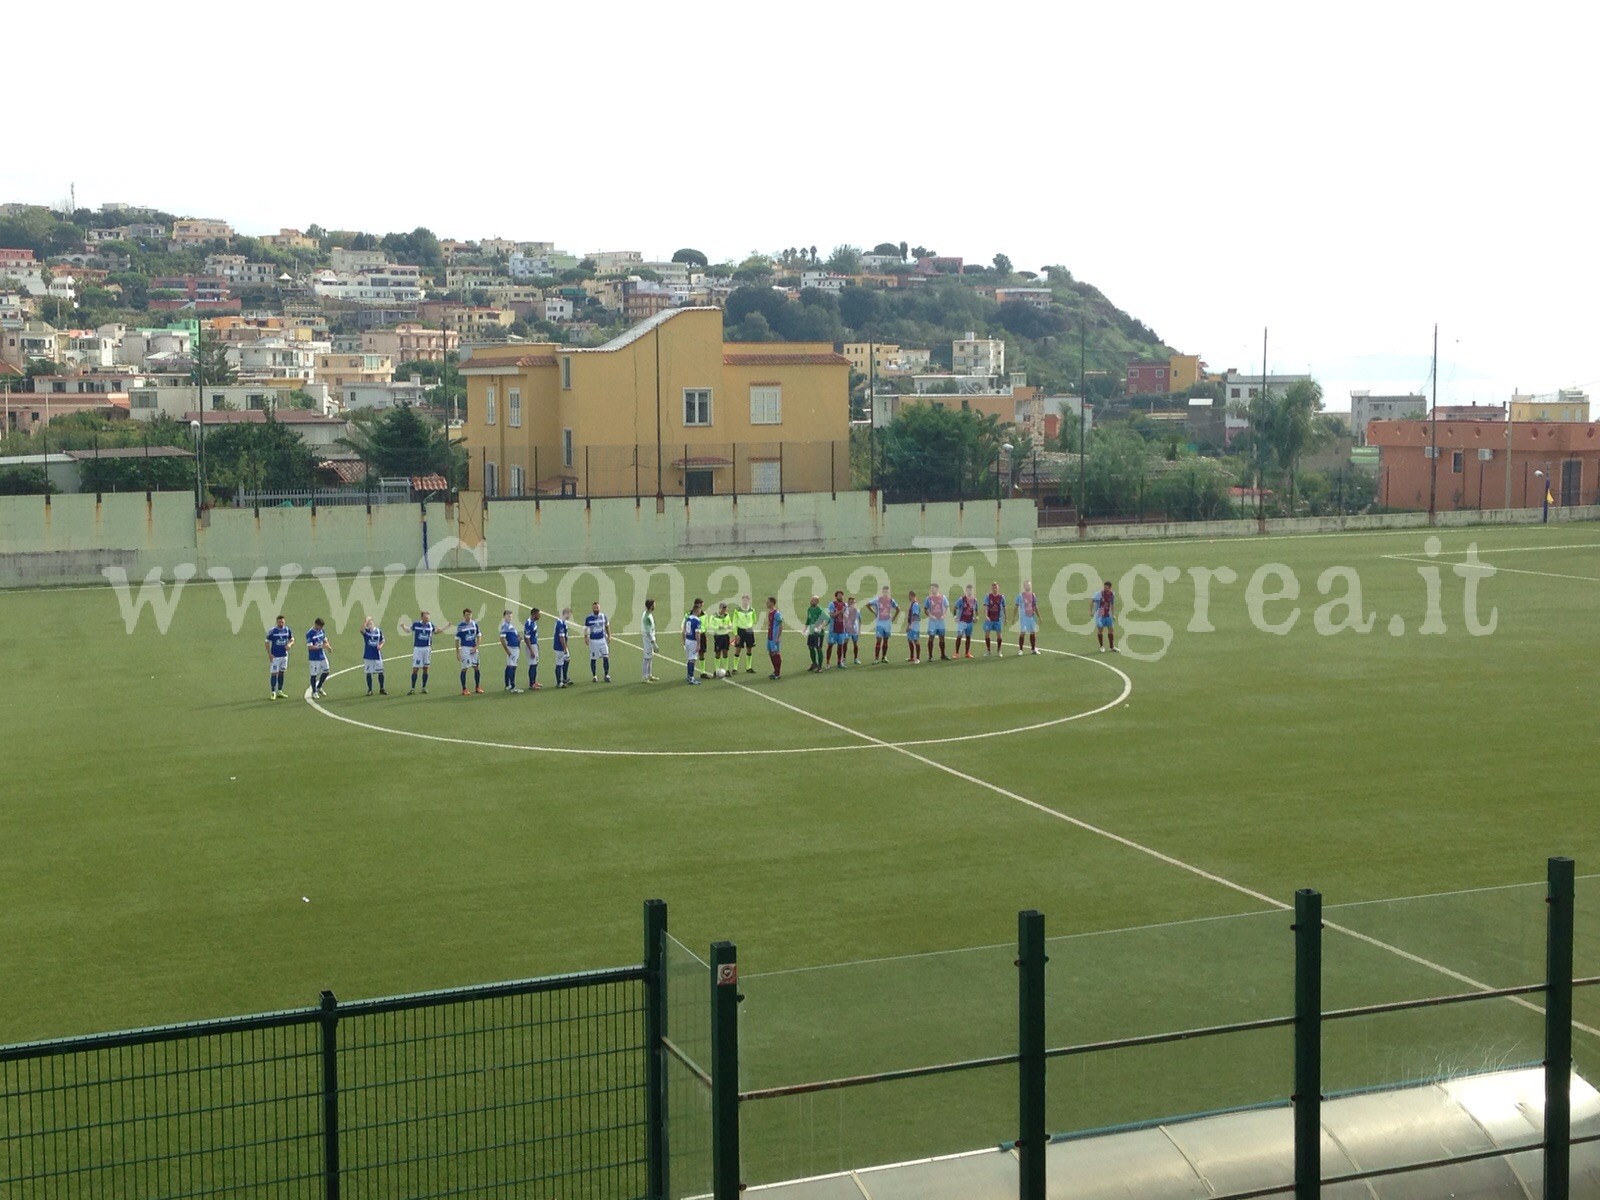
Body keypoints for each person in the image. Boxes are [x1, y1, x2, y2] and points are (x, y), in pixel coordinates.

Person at [866, 587, 899, 663]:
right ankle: (876, 658)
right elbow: (868, 604)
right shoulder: (877, 600)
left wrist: (893, 618)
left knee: (886, 640)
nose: (885, 593)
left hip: (887, 623)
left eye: (887, 592)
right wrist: (875, 612)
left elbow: (898, 609)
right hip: (879, 623)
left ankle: (884, 657)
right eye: (884, 592)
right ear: (882, 592)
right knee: (878, 640)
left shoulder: (891, 600)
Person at [265, 615, 294, 700]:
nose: (281, 624)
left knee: (282, 673)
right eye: (279, 622)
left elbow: (292, 639)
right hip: (275, 657)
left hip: (284, 656)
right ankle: (273, 692)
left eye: (282, 622)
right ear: (277, 622)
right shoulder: (273, 631)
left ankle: (280, 691)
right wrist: (269, 654)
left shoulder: (287, 630)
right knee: (274, 673)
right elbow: (267, 642)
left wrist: (289, 644)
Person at [408, 610, 437, 694]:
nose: (427, 619)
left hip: (427, 649)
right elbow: (409, 630)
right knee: (415, 668)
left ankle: (423, 687)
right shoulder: (416, 624)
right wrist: (403, 626)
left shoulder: (431, 625)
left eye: (428, 618)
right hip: (418, 649)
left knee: (426, 668)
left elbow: (436, 631)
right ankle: (413, 688)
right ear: (421, 617)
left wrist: (445, 627)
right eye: (425, 617)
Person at [456, 607, 482, 695]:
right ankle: (464, 689)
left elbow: (479, 636)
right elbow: (456, 639)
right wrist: (457, 652)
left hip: (473, 648)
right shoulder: (460, 626)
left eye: (470, 615)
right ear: (464, 615)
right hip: (465, 649)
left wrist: (476, 647)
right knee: (465, 668)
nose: (469, 616)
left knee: (476, 667)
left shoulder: (475, 624)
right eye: (467, 615)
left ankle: (477, 687)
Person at [585, 600, 612, 682]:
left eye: (597, 607)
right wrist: (586, 637)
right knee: (593, 658)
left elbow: (607, 626)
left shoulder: (603, 617)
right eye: (595, 608)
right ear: (592, 609)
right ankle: (594, 676)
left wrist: (609, 635)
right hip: (593, 641)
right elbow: (586, 629)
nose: (596, 609)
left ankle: (606, 675)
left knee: (606, 657)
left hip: (602, 640)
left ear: (599, 608)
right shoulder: (589, 618)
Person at [498, 610, 523, 693]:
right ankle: (513, 687)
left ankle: (507, 685)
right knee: (512, 666)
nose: (510, 618)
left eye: (511, 616)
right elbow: (502, 639)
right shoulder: (505, 626)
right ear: (504, 617)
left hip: (514, 648)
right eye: (508, 616)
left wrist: (518, 639)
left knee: (509, 666)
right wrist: (507, 651)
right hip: (512, 649)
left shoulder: (510, 625)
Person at [732, 594, 757, 674]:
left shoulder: (752, 610)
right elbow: (734, 622)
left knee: (749, 648)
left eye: (746, 600)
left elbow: (754, 620)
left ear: (748, 600)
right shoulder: (737, 610)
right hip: (740, 631)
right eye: (743, 600)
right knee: (738, 649)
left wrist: (748, 625)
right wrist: (736, 633)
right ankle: (735, 668)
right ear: (742, 600)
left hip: (749, 631)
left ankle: (748, 667)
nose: (745, 601)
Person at [361, 616, 386, 695]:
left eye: (370, 623)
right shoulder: (366, 632)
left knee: (380, 672)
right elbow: (361, 630)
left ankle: (382, 688)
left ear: (373, 623)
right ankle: (370, 689)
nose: (369, 625)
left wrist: (380, 646)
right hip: (368, 655)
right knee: (369, 673)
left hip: (377, 655)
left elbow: (383, 640)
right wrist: (365, 621)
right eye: (368, 623)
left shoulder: (378, 631)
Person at [306, 618, 330, 699]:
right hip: (314, 657)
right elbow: (310, 647)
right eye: (320, 626)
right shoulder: (310, 633)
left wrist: (328, 646)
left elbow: (325, 640)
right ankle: (314, 691)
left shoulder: (322, 631)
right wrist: (321, 646)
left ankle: (319, 687)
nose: (321, 628)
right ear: (316, 624)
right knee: (314, 674)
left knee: (327, 671)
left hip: (322, 655)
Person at [924, 584, 949, 661]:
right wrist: (930, 615)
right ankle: (930, 656)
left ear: (937, 589)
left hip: (940, 621)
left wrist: (944, 615)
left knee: (942, 637)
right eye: (931, 589)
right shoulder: (929, 599)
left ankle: (943, 655)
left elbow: (946, 606)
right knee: (931, 637)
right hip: (933, 622)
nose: (932, 590)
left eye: (933, 588)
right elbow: (925, 609)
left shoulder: (943, 597)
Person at [682, 599, 704, 684]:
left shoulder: (688, 618)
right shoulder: (697, 620)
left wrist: (684, 641)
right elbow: (697, 633)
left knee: (689, 659)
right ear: (697, 610)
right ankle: (691, 677)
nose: (700, 612)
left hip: (687, 640)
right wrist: (698, 644)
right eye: (700, 610)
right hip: (693, 641)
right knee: (692, 659)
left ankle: (688, 676)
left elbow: (683, 630)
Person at [1016, 581, 1041, 655]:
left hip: (1031, 617)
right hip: (1024, 617)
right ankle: (1020, 650)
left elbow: (1035, 606)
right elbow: (1016, 606)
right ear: (1024, 587)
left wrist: (1039, 616)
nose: (1028, 587)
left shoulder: (1033, 595)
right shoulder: (1020, 596)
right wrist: (1014, 616)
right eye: (1026, 585)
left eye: (1029, 585)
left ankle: (1033, 649)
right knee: (1022, 632)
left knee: (1033, 632)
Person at [983, 582, 1007, 656]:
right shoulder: (988, 597)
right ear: (991, 588)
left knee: (999, 635)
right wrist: (986, 615)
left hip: (998, 619)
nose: (995, 588)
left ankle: (999, 650)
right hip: (989, 619)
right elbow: (986, 606)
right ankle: (988, 650)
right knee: (987, 634)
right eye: (993, 587)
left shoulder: (1001, 597)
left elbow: (1004, 607)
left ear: (998, 588)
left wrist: (1005, 617)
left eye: (996, 587)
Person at [826, 590, 848, 669]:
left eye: (842, 595)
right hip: (833, 629)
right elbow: (832, 615)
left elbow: (847, 617)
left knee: (840, 646)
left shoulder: (845, 605)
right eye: (839, 595)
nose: (841, 597)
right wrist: (841, 611)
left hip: (842, 629)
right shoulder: (832, 604)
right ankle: (828, 662)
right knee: (830, 645)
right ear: (836, 597)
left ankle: (839, 662)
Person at [1094, 581, 1118, 653]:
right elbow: (1093, 601)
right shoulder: (1100, 594)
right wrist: (1092, 612)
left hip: (1108, 614)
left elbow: (1112, 604)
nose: (1105, 588)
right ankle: (1101, 646)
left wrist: (1113, 614)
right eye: (1104, 587)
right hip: (1101, 612)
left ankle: (1112, 647)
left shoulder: (1112, 594)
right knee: (1100, 629)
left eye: (1106, 587)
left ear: (1110, 588)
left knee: (1111, 629)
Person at [711, 602, 733, 677]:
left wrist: (726, 626)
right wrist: (719, 627)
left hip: (725, 636)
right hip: (718, 636)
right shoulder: (714, 616)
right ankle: (716, 670)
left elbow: (730, 624)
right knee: (717, 652)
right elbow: (711, 625)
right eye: (723, 608)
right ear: (720, 608)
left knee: (725, 652)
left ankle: (726, 669)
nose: (724, 610)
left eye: (725, 608)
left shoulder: (727, 615)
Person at [954, 586, 977, 659]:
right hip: (962, 621)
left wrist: (976, 617)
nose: (969, 592)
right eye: (968, 590)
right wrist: (955, 617)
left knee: (968, 637)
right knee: (959, 636)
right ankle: (956, 653)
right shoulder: (961, 599)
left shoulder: (974, 600)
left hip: (970, 622)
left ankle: (967, 653)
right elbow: (955, 607)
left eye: (971, 590)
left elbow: (975, 609)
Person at [804, 595, 826, 672]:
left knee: (818, 648)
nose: (811, 601)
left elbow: (825, 620)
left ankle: (820, 667)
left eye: (813, 600)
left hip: (819, 633)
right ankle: (814, 663)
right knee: (810, 647)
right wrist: (805, 629)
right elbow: (808, 619)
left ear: (817, 602)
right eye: (811, 600)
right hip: (811, 632)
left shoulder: (820, 610)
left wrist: (820, 627)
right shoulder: (809, 609)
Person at [764, 596, 784, 680]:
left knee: (776, 653)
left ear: (772, 603)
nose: (766, 603)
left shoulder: (777, 613)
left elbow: (781, 626)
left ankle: (778, 673)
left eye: (768, 602)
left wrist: (778, 637)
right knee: (770, 653)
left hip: (774, 637)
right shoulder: (770, 612)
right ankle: (775, 671)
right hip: (770, 636)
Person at [523, 607, 542, 690]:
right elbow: (526, 638)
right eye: (538, 614)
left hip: (534, 645)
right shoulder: (529, 623)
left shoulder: (533, 622)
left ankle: (534, 681)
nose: (539, 616)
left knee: (535, 663)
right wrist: (531, 650)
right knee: (532, 664)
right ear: (534, 614)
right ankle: (532, 684)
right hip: (531, 646)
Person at [640, 598, 659, 682]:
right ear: (651, 606)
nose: (655, 606)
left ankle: (649, 675)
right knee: (646, 658)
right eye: (654, 604)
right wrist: (654, 643)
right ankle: (644, 676)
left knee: (650, 658)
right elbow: (648, 632)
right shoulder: (647, 617)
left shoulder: (648, 614)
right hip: (648, 640)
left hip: (650, 639)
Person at [553, 608, 572, 687]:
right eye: (569, 614)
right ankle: (559, 682)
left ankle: (564, 677)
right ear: (566, 613)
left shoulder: (563, 622)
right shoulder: (560, 623)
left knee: (567, 659)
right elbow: (561, 637)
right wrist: (564, 647)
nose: (570, 616)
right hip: (559, 647)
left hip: (563, 646)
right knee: (559, 663)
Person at [904, 590, 921, 663]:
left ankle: (917, 658)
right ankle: (911, 657)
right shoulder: (913, 604)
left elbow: (915, 616)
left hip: (914, 625)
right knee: (909, 639)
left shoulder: (915, 604)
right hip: (911, 624)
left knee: (915, 640)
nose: (908, 597)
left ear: (911, 596)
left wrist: (911, 625)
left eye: (909, 596)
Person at [844, 595, 862, 664]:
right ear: (848, 602)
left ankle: (856, 659)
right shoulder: (845, 610)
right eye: (850, 602)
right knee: (845, 643)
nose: (852, 603)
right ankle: (844, 659)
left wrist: (859, 630)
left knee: (855, 644)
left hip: (854, 629)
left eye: (853, 602)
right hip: (846, 629)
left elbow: (860, 620)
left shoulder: (857, 611)